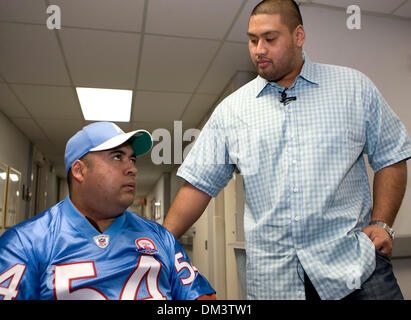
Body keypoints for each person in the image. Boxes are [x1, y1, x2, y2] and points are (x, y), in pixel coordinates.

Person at [163, 0, 411, 300]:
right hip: (275, 282)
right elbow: (198, 185)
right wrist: (160, 245)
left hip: (355, 271)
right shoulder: (232, 111)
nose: (259, 50)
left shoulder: (353, 87)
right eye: (253, 40)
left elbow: (392, 155)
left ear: (298, 36)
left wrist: (382, 224)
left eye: (270, 38)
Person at [0, 121, 215, 300]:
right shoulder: (25, 242)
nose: (132, 168)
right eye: (117, 157)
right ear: (79, 171)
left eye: (132, 159)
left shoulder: (161, 238)